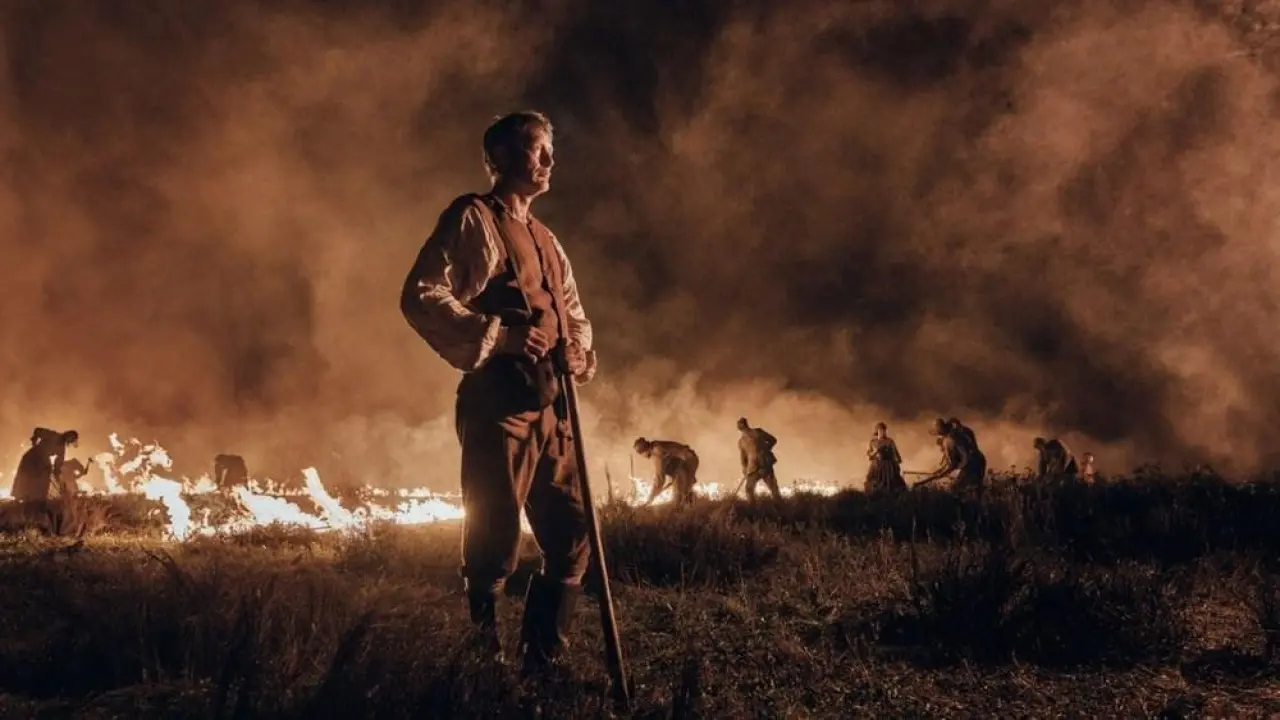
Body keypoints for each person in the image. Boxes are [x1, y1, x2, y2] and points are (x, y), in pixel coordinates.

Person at [399, 110, 598, 673]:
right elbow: (421, 293)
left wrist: (578, 352)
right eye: (537, 148)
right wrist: (501, 337)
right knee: (493, 537)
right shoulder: (473, 217)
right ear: (501, 157)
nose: (549, 159)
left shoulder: (547, 238)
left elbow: (573, 313)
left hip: (554, 409)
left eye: (550, 148)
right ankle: (482, 666)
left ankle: (542, 660)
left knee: (573, 533)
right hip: (499, 404)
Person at [917, 418, 986, 493]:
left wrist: (938, 475)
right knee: (975, 487)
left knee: (954, 489)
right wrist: (940, 470)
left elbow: (953, 465)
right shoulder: (956, 433)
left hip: (971, 465)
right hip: (980, 460)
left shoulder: (949, 441)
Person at [11, 429, 80, 502]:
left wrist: (57, 475)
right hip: (33, 456)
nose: (70, 440)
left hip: (42, 460)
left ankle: (34, 498)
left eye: (72, 439)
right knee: (26, 475)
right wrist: (34, 441)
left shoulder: (61, 449)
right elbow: (38, 431)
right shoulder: (54, 435)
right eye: (71, 438)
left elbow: (58, 464)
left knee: (43, 477)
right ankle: (21, 496)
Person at [634, 437, 699, 505]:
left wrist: (650, 499)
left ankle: (683, 505)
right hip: (687, 460)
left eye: (641, 454)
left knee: (679, 495)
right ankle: (689, 502)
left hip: (688, 461)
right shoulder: (655, 446)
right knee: (683, 490)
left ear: (644, 452)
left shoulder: (657, 453)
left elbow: (659, 480)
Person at [737, 417, 781, 502]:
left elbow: (773, 440)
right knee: (749, 489)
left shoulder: (758, 432)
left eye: (741, 425)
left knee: (773, 488)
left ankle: (780, 506)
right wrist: (745, 468)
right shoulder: (741, 442)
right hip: (753, 468)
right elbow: (743, 457)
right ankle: (752, 508)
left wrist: (766, 449)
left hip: (765, 466)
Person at [865, 422, 906, 494]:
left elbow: (895, 452)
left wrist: (897, 460)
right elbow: (869, 454)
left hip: (887, 466)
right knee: (871, 480)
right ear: (877, 431)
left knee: (890, 483)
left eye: (883, 430)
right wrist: (874, 452)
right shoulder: (873, 442)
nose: (882, 432)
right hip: (876, 465)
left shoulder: (889, 441)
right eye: (880, 430)